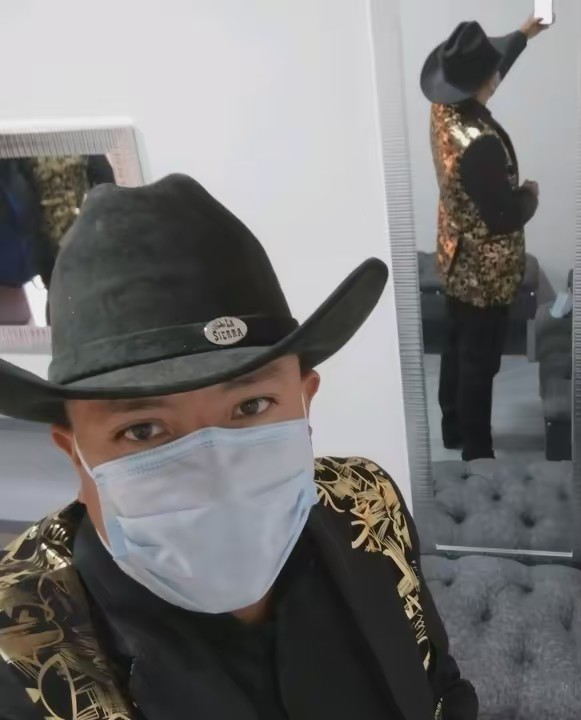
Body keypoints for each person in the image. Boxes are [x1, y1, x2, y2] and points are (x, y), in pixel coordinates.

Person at [0, 175, 477, 720]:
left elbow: (441, 686)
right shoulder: (21, 652)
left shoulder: (366, 501)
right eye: (143, 430)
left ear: (304, 401)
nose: (217, 473)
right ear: (75, 453)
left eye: (251, 406)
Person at [421, 16, 550, 460]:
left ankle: (452, 428)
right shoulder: (480, 145)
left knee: (456, 346)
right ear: (485, 84)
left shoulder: (443, 109)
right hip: (484, 273)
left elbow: (489, 72)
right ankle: (477, 452)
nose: (497, 76)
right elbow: (504, 217)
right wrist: (529, 195)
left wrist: (524, 34)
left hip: (453, 253)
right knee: (479, 363)